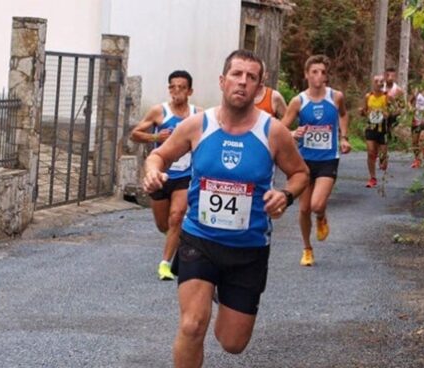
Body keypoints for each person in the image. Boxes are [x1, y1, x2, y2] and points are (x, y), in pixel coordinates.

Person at [142, 50, 309, 368]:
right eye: (236, 74)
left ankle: (220, 293)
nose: (243, 82)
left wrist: (286, 196)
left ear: (260, 89)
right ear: (222, 81)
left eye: (251, 77)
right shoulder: (197, 125)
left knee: (233, 343)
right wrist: (152, 171)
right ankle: (206, 291)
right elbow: (158, 156)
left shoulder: (272, 132)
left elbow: (300, 174)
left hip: (248, 249)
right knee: (192, 325)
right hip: (199, 239)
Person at [130, 70, 202, 281]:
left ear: (190, 91)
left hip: (185, 174)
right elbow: (135, 134)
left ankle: (165, 264)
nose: (176, 91)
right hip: (160, 175)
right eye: (173, 87)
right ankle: (182, 239)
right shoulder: (159, 112)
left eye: (181, 87)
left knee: (177, 216)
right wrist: (155, 136)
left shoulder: (198, 114)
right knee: (163, 224)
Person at [281, 54, 351, 267]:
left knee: (316, 204)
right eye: (314, 72)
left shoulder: (336, 96)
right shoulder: (298, 101)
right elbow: (281, 127)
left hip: (328, 158)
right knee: (303, 209)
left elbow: (343, 114)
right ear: (306, 75)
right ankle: (307, 249)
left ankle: (321, 216)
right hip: (304, 161)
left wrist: (344, 137)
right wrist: (293, 133)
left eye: (322, 72)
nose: (319, 76)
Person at [359, 75, 389, 188]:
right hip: (371, 127)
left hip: (382, 128)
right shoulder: (368, 96)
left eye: (381, 81)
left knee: (383, 155)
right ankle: (372, 178)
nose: (378, 83)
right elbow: (365, 111)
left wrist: (387, 114)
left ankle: (382, 160)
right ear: (373, 83)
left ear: (383, 84)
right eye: (376, 81)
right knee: (371, 152)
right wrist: (362, 112)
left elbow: (394, 110)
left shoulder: (386, 97)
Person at [409, 83, 424, 168]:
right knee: (415, 141)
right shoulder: (416, 90)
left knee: (423, 138)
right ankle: (417, 159)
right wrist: (411, 107)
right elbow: (409, 101)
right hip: (416, 119)